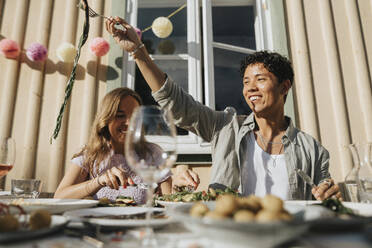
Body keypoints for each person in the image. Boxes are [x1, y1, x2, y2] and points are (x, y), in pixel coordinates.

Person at [105, 16, 341, 201]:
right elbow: (175, 102)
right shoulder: (225, 126)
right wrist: (138, 52)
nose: (251, 88)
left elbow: (326, 202)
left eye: (260, 79)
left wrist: (332, 194)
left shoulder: (313, 151)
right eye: (246, 82)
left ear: (284, 87)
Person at [54, 87, 199, 203]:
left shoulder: (152, 153)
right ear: (106, 119)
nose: (129, 123)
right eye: (120, 115)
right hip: (100, 228)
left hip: (140, 228)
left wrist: (179, 187)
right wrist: (98, 181)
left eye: (135, 116)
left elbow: (168, 202)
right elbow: (59, 196)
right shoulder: (90, 154)